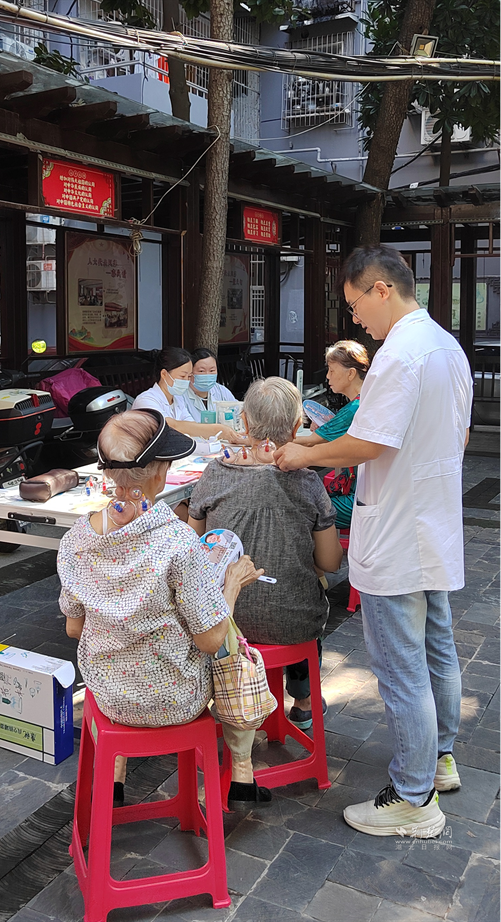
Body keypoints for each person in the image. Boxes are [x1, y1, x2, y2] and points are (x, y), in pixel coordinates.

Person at [274, 245, 473, 839]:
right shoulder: (448, 348)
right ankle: (438, 761)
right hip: (431, 522)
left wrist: (301, 456)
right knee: (436, 649)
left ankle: (412, 798)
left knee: (400, 665)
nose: (356, 319)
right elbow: (456, 438)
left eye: (356, 304)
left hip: (397, 533)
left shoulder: (400, 355)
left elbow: (370, 443)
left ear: (382, 289)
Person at [57, 408, 271, 805]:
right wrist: (231, 587)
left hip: (107, 696)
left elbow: (75, 628)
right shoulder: (178, 542)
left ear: (109, 472)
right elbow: (210, 640)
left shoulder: (75, 541)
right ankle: (242, 766)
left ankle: (115, 775)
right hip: (176, 699)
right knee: (230, 640)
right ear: (160, 472)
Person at [187, 377, 342, 728]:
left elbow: (195, 548)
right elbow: (330, 562)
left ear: (243, 421)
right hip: (293, 621)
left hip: (224, 618)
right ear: (297, 426)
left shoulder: (214, 474)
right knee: (306, 599)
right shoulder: (308, 482)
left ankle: (225, 696)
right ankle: (303, 700)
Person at [297, 340, 370, 528]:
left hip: (359, 496)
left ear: (350, 373)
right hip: (363, 489)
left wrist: (264, 440)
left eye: (332, 370)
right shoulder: (365, 400)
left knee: (301, 509)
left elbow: (309, 442)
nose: (328, 376)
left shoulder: (354, 408)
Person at [132, 347, 245, 443]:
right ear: (164, 374)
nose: (186, 381)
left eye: (189, 376)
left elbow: (192, 426)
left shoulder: (177, 400)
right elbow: (172, 426)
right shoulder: (146, 400)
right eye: (182, 376)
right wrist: (218, 429)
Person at [180, 347, 237, 422]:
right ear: (190, 372)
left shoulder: (221, 391)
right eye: (201, 371)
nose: (207, 374)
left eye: (212, 370)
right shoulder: (181, 395)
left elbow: (238, 412)